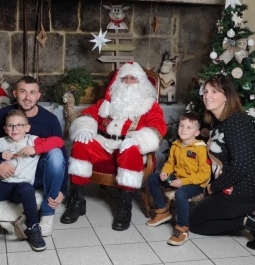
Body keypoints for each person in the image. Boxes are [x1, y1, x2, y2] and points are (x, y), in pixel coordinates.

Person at [0, 76, 68, 237]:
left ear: (38, 96)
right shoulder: (3, 114)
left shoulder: (50, 120)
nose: (27, 97)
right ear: (15, 93)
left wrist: (62, 189)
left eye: (32, 92)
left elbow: (61, 156)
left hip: (35, 173)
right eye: (23, 92)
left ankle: (47, 215)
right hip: (6, 170)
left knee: (56, 152)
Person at [60, 62, 167, 231]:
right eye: (124, 78)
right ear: (118, 82)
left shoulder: (149, 106)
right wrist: (86, 128)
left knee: (130, 150)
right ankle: (77, 201)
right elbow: (89, 113)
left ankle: (124, 207)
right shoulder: (107, 103)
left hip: (129, 144)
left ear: (141, 83)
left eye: (133, 78)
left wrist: (139, 140)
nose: (128, 81)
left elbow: (158, 127)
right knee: (81, 144)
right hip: (104, 143)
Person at [189, 74, 255, 250]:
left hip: (241, 192)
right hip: (228, 188)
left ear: (226, 95)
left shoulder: (237, 121)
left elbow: (242, 167)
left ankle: (246, 221)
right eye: (206, 91)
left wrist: (213, 188)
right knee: (195, 212)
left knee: (193, 223)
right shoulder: (220, 123)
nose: (207, 96)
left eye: (214, 91)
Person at [146, 112, 211, 246]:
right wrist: (165, 172)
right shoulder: (176, 145)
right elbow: (170, 164)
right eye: (182, 126)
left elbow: (204, 174)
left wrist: (183, 182)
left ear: (197, 132)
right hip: (178, 177)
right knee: (153, 178)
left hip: (195, 182)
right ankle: (162, 210)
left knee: (181, 194)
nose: (183, 129)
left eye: (189, 127)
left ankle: (183, 228)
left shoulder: (200, 149)